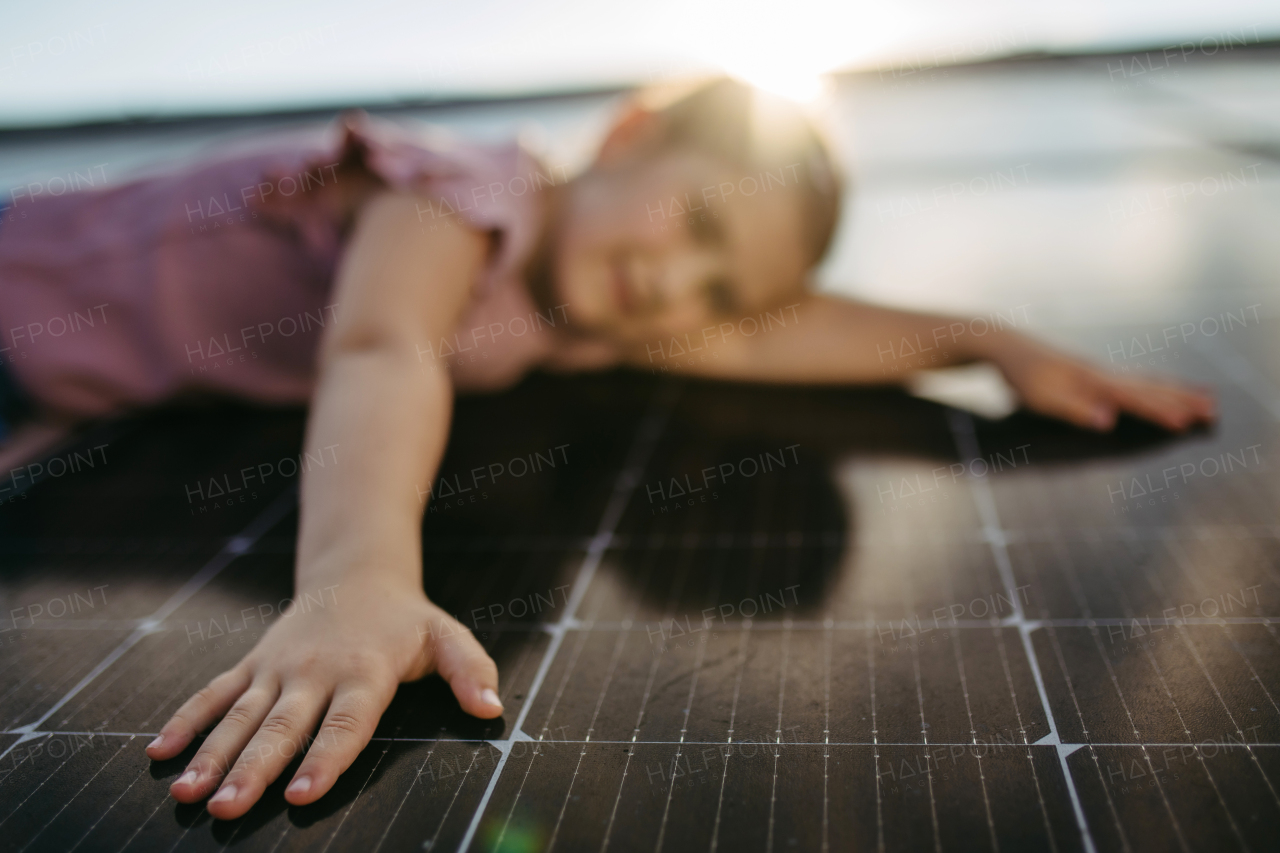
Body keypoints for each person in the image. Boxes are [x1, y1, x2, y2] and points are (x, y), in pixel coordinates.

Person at [0, 78, 1214, 819]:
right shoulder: (458, 195)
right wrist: (356, 579)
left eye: (712, 284)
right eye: (692, 221)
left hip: (57, 392)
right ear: (628, 134)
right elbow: (381, 350)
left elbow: (771, 336)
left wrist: (977, 338)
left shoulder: (587, 310)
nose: (671, 284)